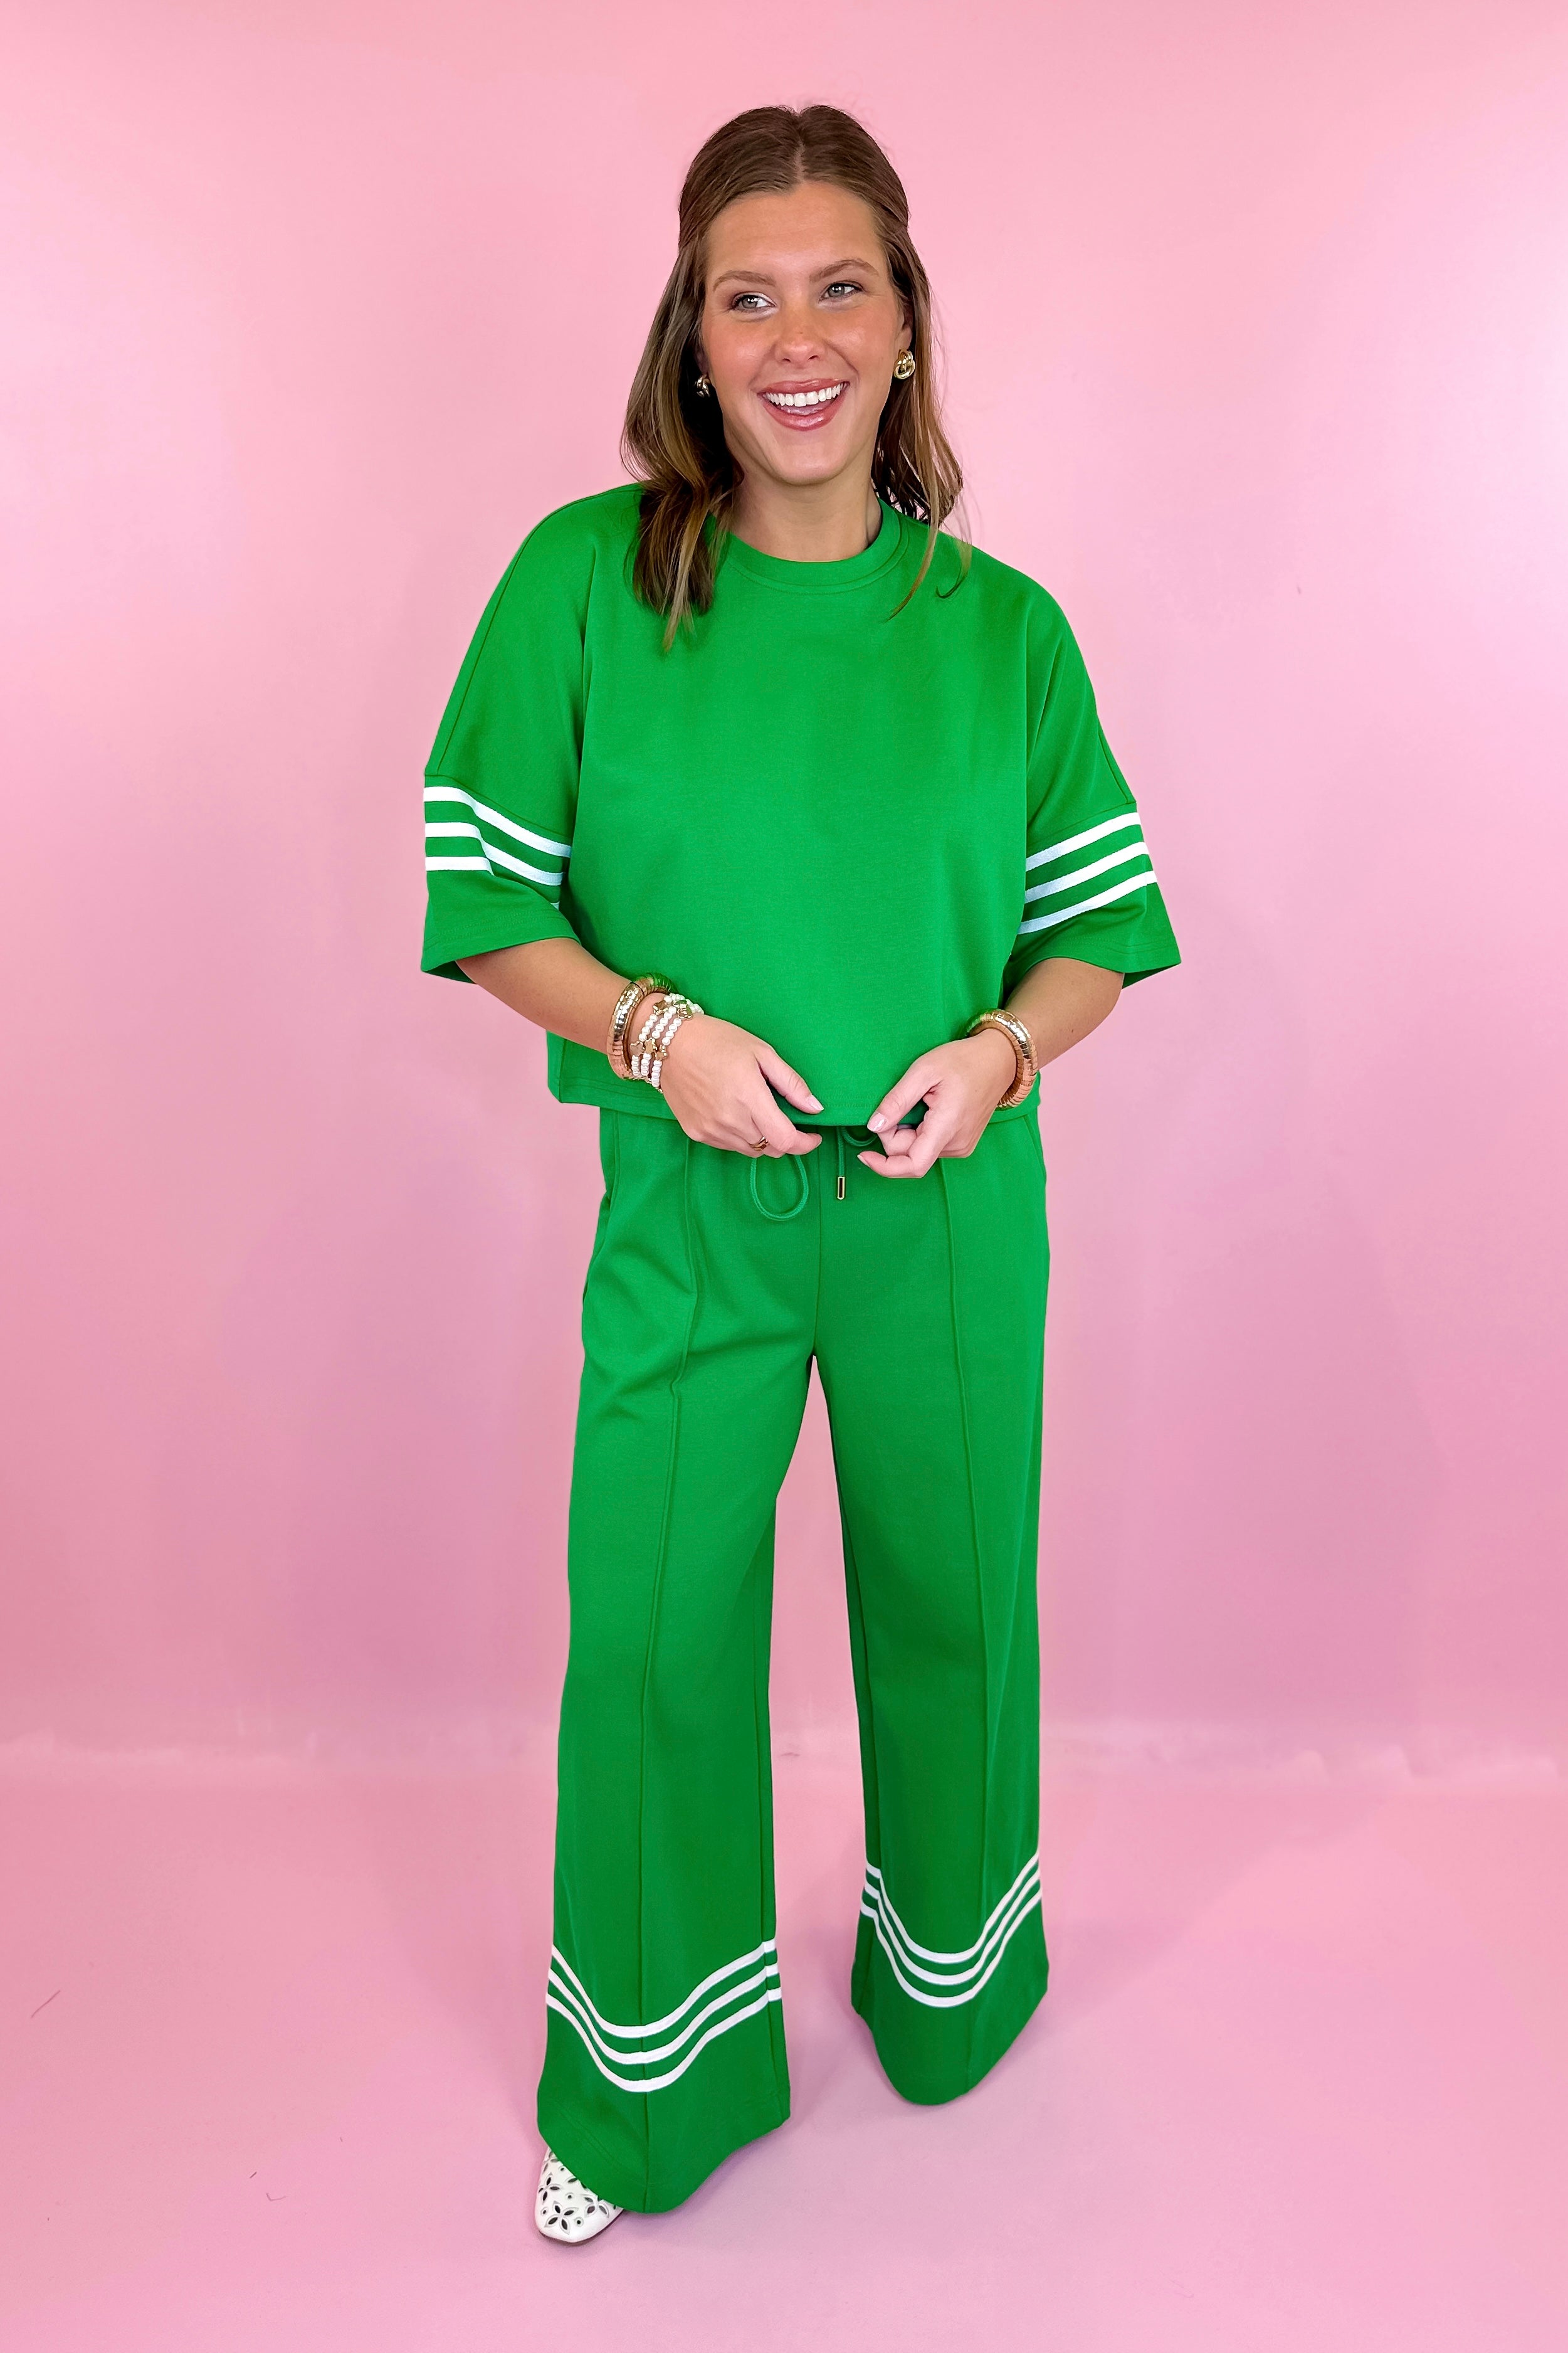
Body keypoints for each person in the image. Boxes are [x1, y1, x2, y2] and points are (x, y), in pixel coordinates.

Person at [421, 102, 1179, 2243]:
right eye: (746, 296)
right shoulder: (586, 584)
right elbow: (488, 903)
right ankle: (643, 2095)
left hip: (948, 1211)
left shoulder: (1003, 630)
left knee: (957, 1611)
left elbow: (1094, 933)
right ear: (693, 335)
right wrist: (657, 1034)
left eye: (841, 286)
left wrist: (999, 1052)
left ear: (907, 322)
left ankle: (954, 1998)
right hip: (697, 1213)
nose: (797, 337)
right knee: (658, 1640)